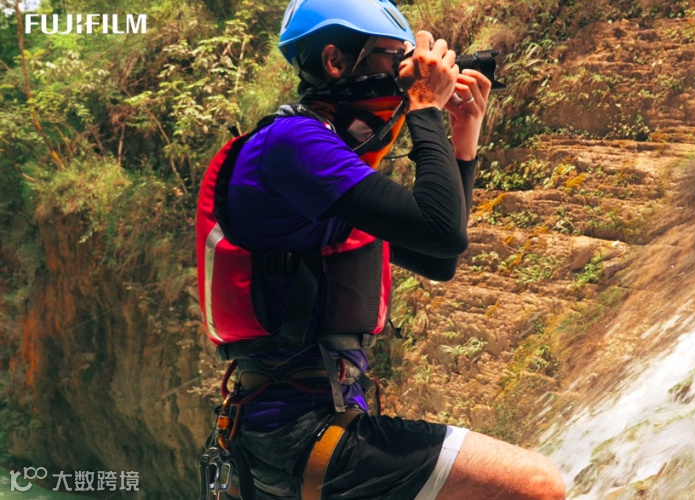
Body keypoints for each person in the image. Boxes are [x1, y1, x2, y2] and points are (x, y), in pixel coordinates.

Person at [194, 0, 566, 498]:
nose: (405, 73)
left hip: (299, 434)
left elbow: (438, 258)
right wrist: (425, 106)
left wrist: (463, 139)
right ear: (334, 61)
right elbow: (441, 231)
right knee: (537, 483)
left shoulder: (319, 162)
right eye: (395, 58)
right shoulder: (291, 143)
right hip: (299, 433)